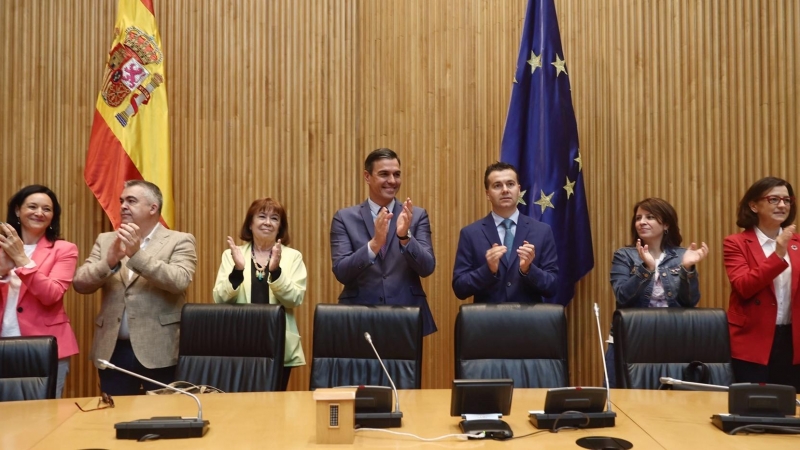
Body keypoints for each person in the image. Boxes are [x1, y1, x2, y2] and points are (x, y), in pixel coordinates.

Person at [73, 180, 197, 395]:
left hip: (159, 351)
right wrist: (108, 262)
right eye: (121, 201)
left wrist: (136, 255)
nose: (122, 206)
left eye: (131, 201)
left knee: (162, 420)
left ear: (153, 208)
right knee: (114, 419)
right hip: (112, 351)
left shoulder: (179, 240)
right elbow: (80, 283)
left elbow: (179, 281)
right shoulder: (106, 240)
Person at [330, 148, 437, 335]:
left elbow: (427, 267)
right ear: (367, 176)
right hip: (359, 317)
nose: (392, 181)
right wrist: (374, 245)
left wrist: (405, 237)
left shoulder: (416, 216)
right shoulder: (344, 218)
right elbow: (341, 271)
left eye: (397, 174)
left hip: (407, 316)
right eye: (384, 174)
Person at [606, 198, 708, 387]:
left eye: (650, 217)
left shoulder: (681, 255)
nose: (642, 222)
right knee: (622, 398)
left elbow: (690, 301)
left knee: (670, 398)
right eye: (638, 218)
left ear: (666, 224)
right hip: (631, 336)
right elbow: (622, 296)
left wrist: (687, 269)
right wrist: (646, 269)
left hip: (671, 336)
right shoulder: (624, 255)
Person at [213, 198, 306, 390]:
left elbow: (295, 299)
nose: (267, 222)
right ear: (250, 223)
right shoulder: (232, 254)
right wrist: (238, 270)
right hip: (240, 340)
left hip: (278, 341)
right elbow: (220, 298)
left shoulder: (292, 256)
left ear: (280, 227)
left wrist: (276, 272)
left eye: (274, 218)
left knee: (275, 402)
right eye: (262, 216)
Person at [0, 185, 79, 398]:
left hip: (45, 347)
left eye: (47, 209)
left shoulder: (65, 249)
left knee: (45, 417)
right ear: (17, 210)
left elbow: (51, 294)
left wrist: (22, 261)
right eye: (32, 206)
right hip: (3, 340)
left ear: (53, 216)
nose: (39, 213)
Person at [724, 177, 800, 389]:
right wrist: (778, 255)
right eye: (774, 199)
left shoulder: (797, 243)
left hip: (793, 340)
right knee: (754, 407)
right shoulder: (736, 243)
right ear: (754, 205)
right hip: (753, 340)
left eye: (787, 200)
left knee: (791, 411)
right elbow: (744, 287)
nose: (782, 205)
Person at [452, 162, 558, 303]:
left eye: (510, 184)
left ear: (518, 190)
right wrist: (488, 270)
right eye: (497, 185)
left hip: (529, 322)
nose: (505, 190)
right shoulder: (470, 233)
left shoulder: (542, 231)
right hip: (487, 322)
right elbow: (459, 288)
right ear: (487, 194)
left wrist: (528, 269)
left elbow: (552, 287)